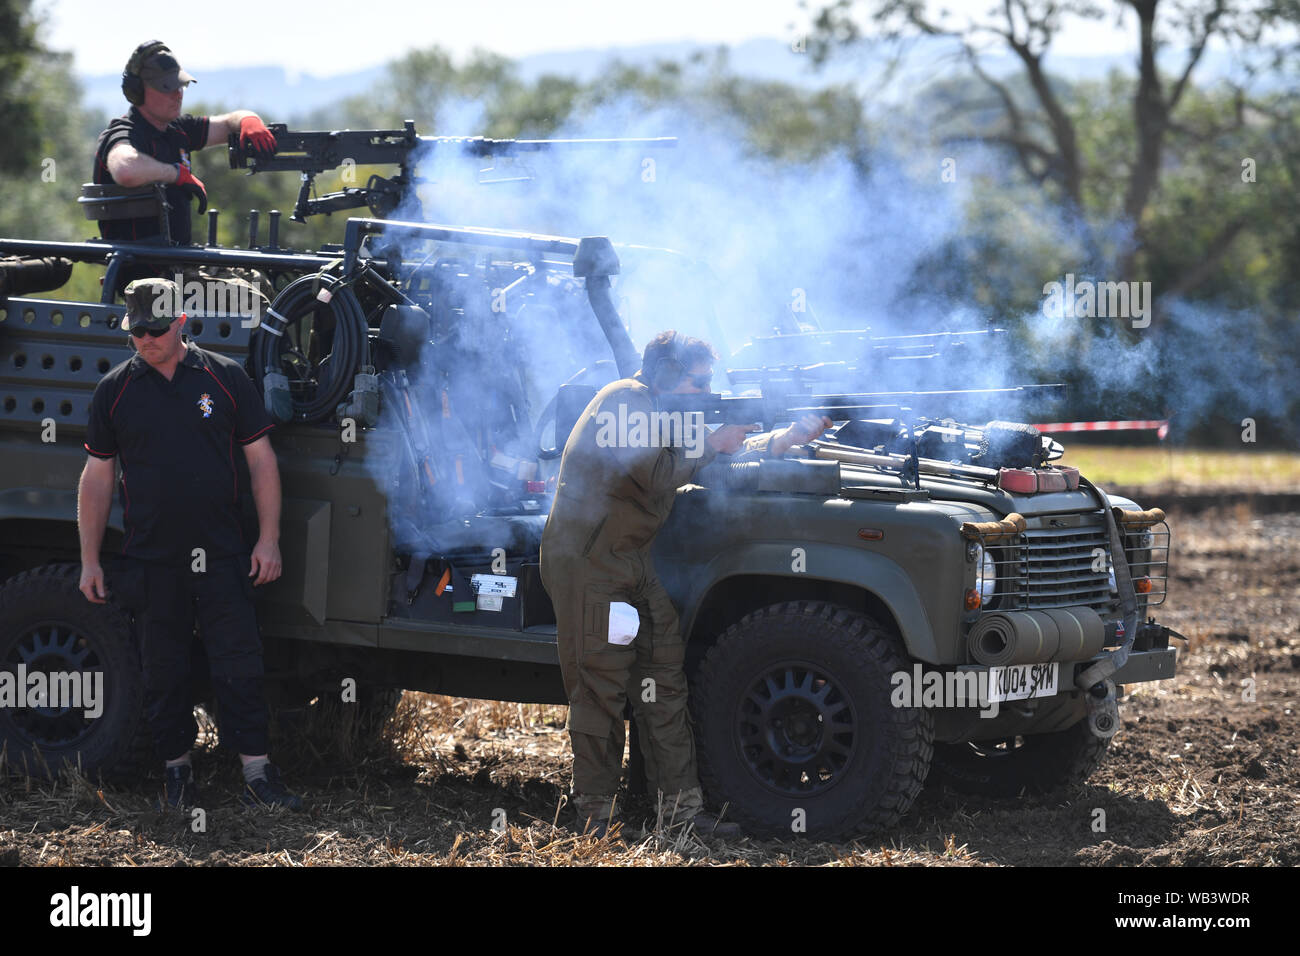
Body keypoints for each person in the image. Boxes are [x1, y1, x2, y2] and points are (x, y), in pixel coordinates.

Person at [539, 330, 831, 838]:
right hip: (591, 564)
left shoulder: (667, 414)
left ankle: (679, 814)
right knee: (600, 688)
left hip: (631, 561)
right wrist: (714, 439)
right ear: (666, 374)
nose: (706, 390)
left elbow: (712, 469)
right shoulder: (624, 402)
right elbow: (655, 471)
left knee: (663, 681)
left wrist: (777, 441)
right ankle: (594, 821)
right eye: (699, 381)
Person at [76, 277, 300, 812]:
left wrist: (268, 540)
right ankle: (177, 776)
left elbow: (261, 460)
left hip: (223, 554)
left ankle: (258, 777)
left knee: (238, 664)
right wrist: (88, 560)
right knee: (164, 671)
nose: (145, 340)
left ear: (181, 322)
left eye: (156, 329)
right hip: (151, 560)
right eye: (136, 331)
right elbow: (98, 477)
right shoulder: (115, 390)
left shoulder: (224, 378)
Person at [92, 40, 277, 245]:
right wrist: (177, 174)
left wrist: (248, 120)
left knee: (257, 278)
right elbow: (125, 169)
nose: (178, 94)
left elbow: (227, 123)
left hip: (178, 266)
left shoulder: (178, 129)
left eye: (180, 86)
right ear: (139, 90)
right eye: (167, 87)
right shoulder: (124, 133)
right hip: (141, 272)